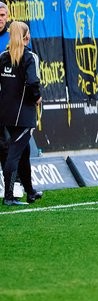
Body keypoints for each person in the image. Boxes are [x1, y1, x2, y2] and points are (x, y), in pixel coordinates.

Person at [0, 22, 43, 206]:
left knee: (23, 152)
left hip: (6, 112)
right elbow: (33, 81)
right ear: (26, 36)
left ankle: (30, 191)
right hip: (23, 114)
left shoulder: (3, 56)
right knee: (14, 154)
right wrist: (37, 98)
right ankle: (9, 196)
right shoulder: (28, 57)